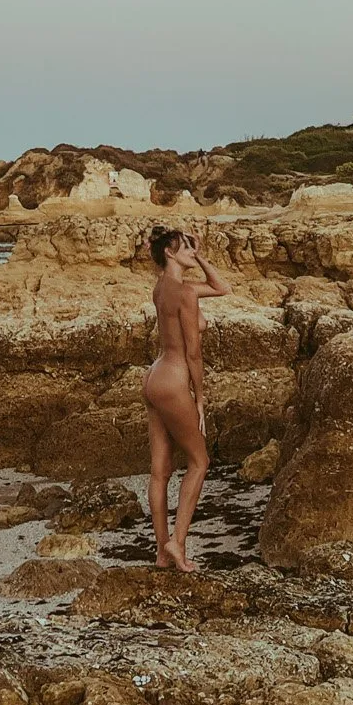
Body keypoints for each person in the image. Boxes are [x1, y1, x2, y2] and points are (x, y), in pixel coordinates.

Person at [142, 224, 231, 570]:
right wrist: (200, 398)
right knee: (199, 462)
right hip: (175, 377)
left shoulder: (163, 288)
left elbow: (223, 287)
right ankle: (177, 544)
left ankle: (162, 551)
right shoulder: (186, 295)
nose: (191, 252)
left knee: (159, 471)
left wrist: (199, 254)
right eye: (185, 247)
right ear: (168, 251)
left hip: (153, 376)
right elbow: (194, 354)